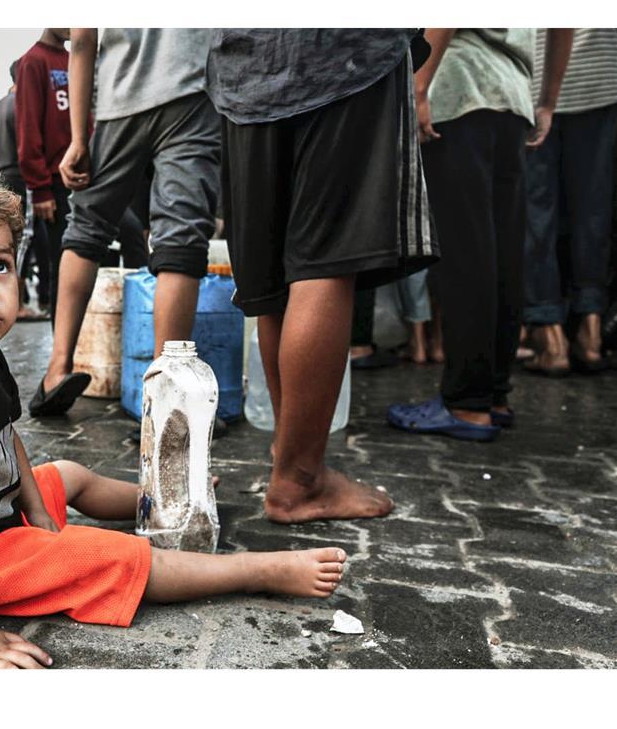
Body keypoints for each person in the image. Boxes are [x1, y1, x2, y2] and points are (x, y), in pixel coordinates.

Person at [0, 169, 348, 669]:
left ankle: (163, 501)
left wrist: (39, 507)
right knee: (110, 558)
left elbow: (5, 438)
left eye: (0, 265)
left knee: (68, 474)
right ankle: (253, 571)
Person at [207, 29, 439, 522]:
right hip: (339, 52)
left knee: (270, 278)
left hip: (244, 64)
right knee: (324, 261)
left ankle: (288, 455)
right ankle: (299, 479)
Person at [389, 29, 574, 441]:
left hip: (460, 85)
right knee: (502, 250)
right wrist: (547, 101)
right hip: (512, 94)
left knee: (464, 252)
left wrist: (419, 86)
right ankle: (492, 395)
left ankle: (466, 402)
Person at [30, 28, 222, 418]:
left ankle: (58, 369)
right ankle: (168, 400)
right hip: (191, 90)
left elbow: (83, 39)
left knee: (87, 225)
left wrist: (79, 138)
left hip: (120, 97)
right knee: (180, 239)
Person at [523, 28, 617, 375]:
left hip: (535, 79)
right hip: (601, 76)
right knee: (594, 213)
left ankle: (550, 338)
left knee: (536, 213)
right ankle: (590, 333)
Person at [15, 29, 74, 318]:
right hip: (53, 181)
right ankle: (62, 350)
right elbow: (28, 129)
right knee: (59, 263)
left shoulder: (75, 59)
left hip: (82, 177)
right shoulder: (33, 61)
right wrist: (39, 187)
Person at [0, 60, 49, 320]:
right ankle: (18, 304)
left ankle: (15, 300)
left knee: (12, 238)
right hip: (21, 176)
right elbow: (30, 145)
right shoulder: (24, 103)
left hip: (1, 174)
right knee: (23, 240)